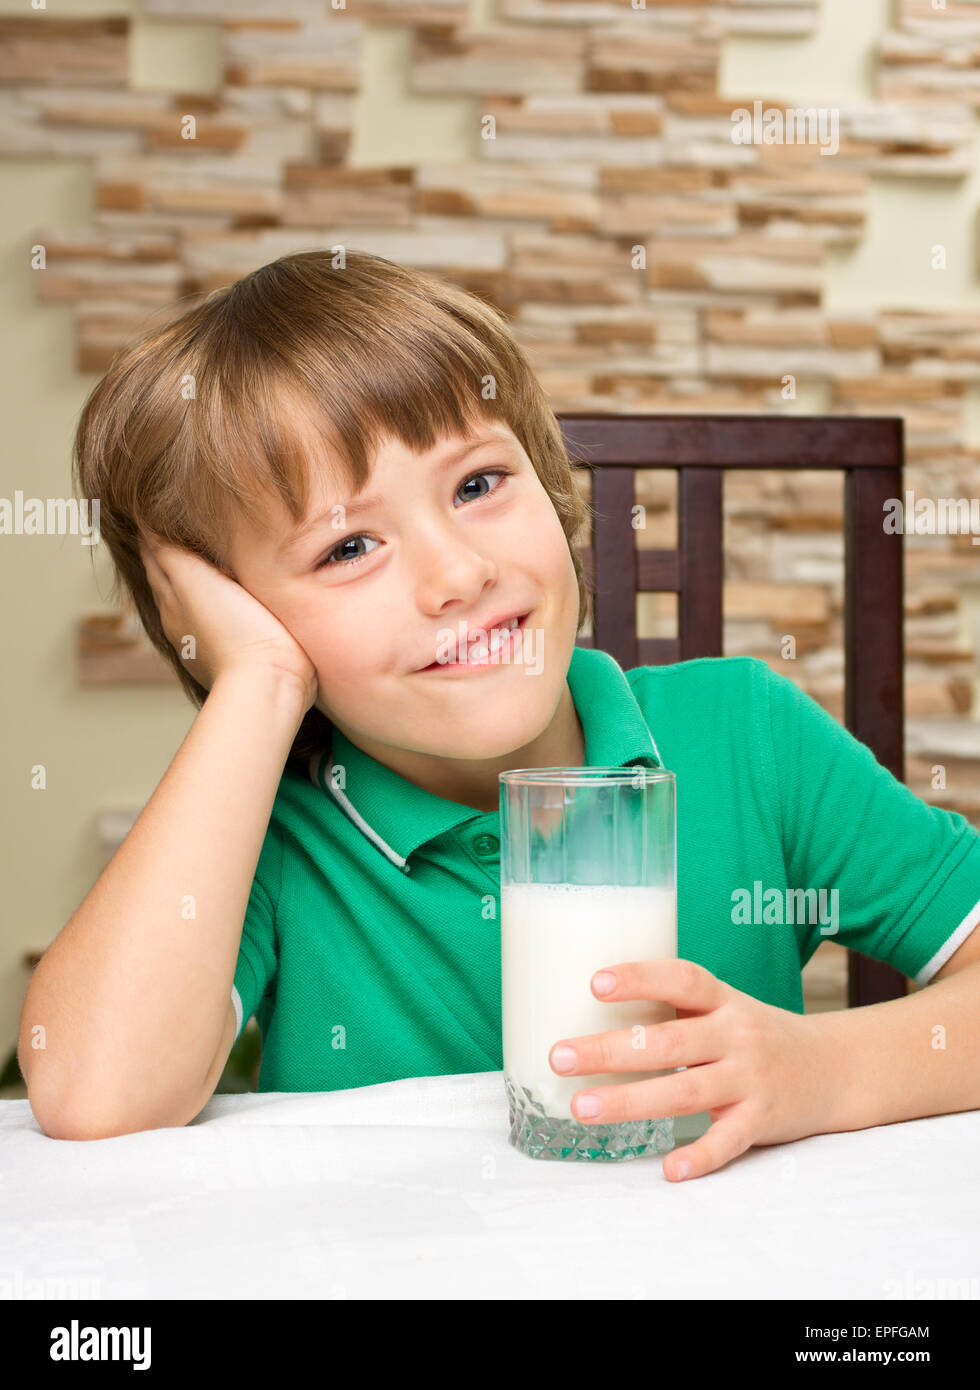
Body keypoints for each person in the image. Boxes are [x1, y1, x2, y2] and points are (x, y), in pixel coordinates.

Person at [19, 249, 980, 1181]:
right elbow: (94, 1094)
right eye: (349, 546)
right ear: (245, 616)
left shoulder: (744, 736)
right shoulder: (262, 831)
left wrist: (822, 1072)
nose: (458, 575)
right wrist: (261, 683)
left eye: (478, 486)